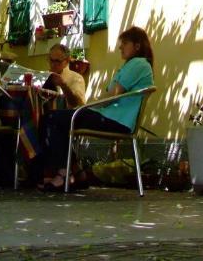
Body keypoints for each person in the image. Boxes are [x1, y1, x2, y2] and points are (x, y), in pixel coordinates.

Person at [39, 26, 154, 191]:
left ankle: (64, 173)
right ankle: (77, 172)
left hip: (114, 120)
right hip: (114, 119)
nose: (120, 47)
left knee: (51, 118)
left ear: (137, 46)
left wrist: (89, 107)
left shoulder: (138, 63)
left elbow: (113, 95)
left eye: (125, 43)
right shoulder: (137, 64)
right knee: (60, 119)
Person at [43, 43, 86, 109]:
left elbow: (77, 105)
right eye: (51, 60)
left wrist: (63, 85)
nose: (53, 64)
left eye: (57, 61)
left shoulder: (76, 78)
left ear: (67, 61)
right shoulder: (44, 76)